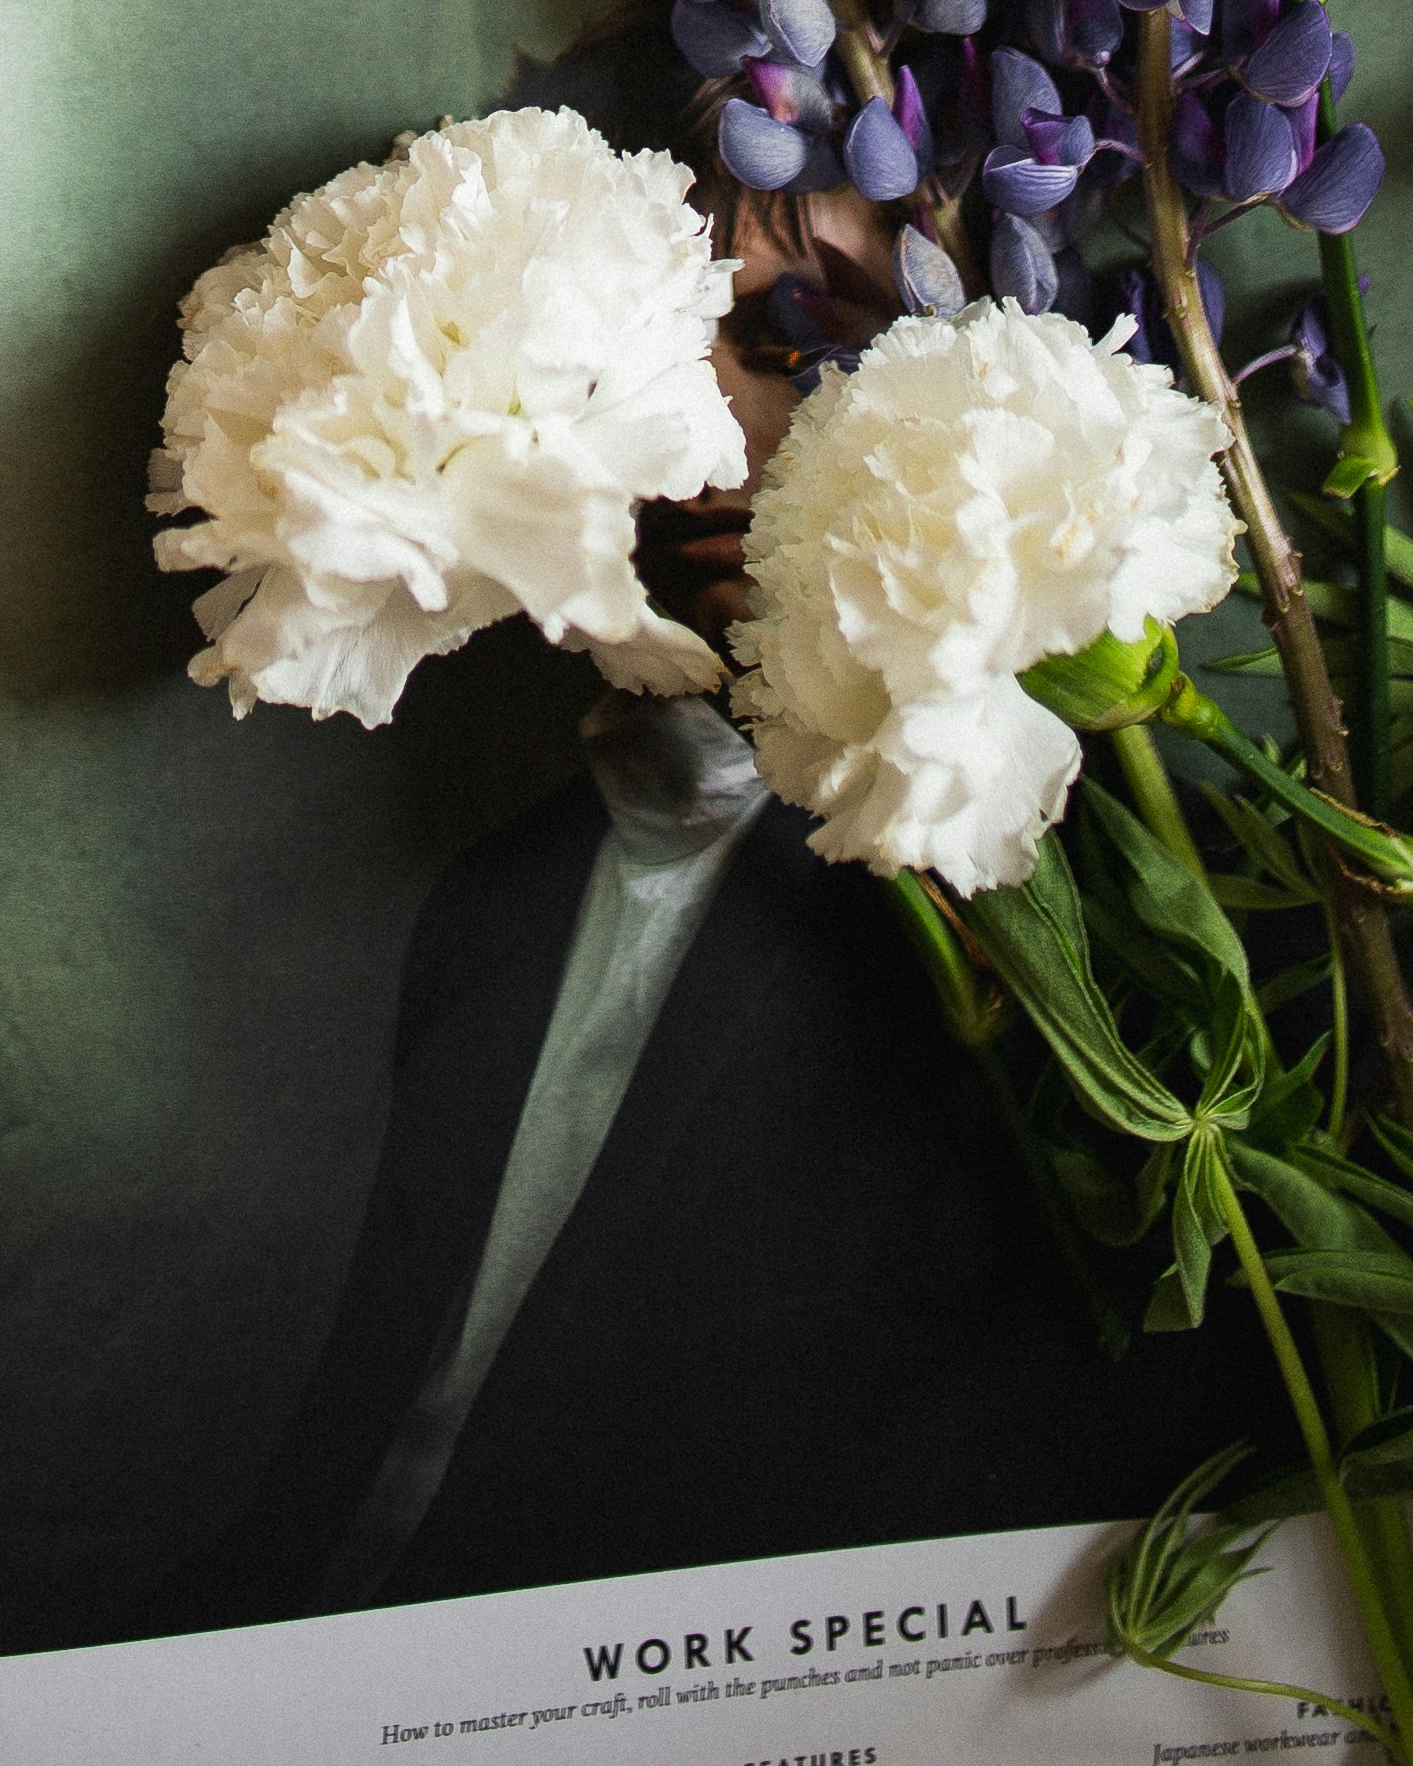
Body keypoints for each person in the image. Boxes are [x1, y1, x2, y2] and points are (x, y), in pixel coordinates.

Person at [178, 161, 1270, 1625]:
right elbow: (373, 1433)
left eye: (795, 328)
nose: (705, 419)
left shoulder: (1127, 928)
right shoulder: (491, 905)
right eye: (640, 345)